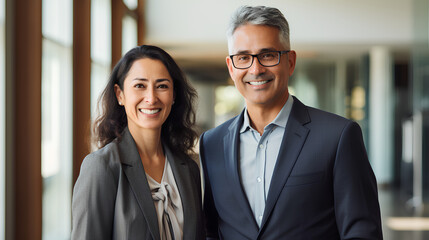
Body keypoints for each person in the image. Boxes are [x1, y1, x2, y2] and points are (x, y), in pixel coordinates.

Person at [199, 5, 383, 239]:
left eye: (267, 55)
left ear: (290, 61)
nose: (256, 69)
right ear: (231, 67)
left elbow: (362, 232)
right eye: (243, 57)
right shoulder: (212, 143)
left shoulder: (337, 137)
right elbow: (212, 230)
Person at [71, 45, 204, 240]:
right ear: (120, 95)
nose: (151, 98)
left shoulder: (189, 168)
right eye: (140, 86)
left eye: (162, 86)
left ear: (173, 95)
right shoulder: (101, 166)